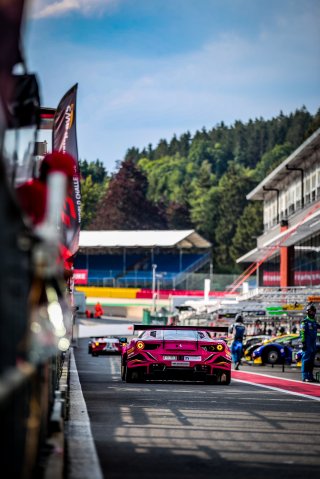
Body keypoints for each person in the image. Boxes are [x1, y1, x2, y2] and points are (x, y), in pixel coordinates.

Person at [300, 303, 320, 382]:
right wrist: (303, 343)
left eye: (313, 311)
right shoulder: (304, 322)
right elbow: (302, 333)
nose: (312, 313)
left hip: (313, 344)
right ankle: (305, 377)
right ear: (307, 312)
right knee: (306, 360)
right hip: (307, 344)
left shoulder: (315, 322)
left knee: (312, 360)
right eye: (311, 311)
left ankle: (310, 376)